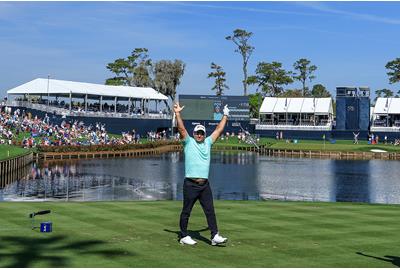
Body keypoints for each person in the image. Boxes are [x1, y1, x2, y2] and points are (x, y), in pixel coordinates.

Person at [173, 102, 229, 246]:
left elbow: (218, 130)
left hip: (204, 185)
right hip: (190, 184)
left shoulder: (208, 143)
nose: (199, 135)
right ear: (194, 134)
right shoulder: (188, 142)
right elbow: (181, 128)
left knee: (210, 211)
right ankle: (184, 236)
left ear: (204, 134)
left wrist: (225, 116)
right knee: (186, 211)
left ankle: (214, 235)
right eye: (197, 132)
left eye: (201, 133)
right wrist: (178, 113)